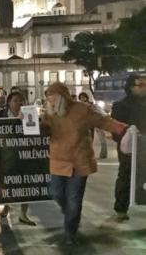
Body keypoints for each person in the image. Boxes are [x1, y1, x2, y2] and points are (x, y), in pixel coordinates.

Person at [28, 82, 129, 244]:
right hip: (58, 161)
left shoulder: (82, 109)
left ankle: (71, 230)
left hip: (79, 161)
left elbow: (103, 121)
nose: (48, 98)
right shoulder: (50, 112)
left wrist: (123, 129)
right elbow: (42, 129)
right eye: (47, 95)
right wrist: (27, 121)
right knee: (56, 193)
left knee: (74, 199)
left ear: (61, 95)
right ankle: (71, 216)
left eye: (51, 94)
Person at [0, 92, 36, 226]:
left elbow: (35, 134)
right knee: (6, 183)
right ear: (9, 103)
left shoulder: (30, 114)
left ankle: (23, 214)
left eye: (21, 100)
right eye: (15, 101)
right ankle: (6, 207)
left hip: (24, 155)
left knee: (25, 184)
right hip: (6, 156)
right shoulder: (0, 115)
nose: (19, 104)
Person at [111, 74, 146, 221]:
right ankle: (121, 208)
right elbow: (116, 129)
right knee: (126, 176)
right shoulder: (121, 105)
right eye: (141, 85)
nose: (145, 88)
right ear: (131, 88)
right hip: (129, 149)